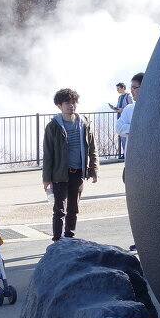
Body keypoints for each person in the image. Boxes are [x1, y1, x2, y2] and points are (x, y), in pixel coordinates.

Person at [43, 87, 99, 242]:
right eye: (67, 103)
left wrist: (94, 170)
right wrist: (46, 178)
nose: (71, 106)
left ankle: (70, 235)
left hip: (78, 171)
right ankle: (57, 239)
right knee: (59, 209)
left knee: (73, 207)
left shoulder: (84, 123)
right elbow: (48, 154)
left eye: (73, 102)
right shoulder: (53, 126)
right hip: (60, 173)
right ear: (59, 105)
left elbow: (92, 148)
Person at [109, 81, 133, 160]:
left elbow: (130, 108)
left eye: (118, 88)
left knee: (126, 137)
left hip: (126, 120)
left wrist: (121, 110)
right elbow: (119, 107)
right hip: (120, 118)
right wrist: (114, 108)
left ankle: (128, 154)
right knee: (122, 137)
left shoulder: (128, 96)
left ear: (123, 88)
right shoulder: (119, 97)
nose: (117, 90)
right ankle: (124, 154)